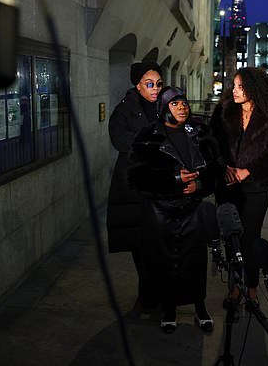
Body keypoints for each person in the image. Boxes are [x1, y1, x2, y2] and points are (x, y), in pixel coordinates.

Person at [127, 86, 221, 334]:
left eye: (184, 103)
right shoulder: (149, 136)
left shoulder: (200, 133)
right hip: (162, 212)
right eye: (175, 104)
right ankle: (169, 308)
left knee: (196, 261)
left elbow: (215, 171)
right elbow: (136, 177)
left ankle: (200, 307)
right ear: (163, 108)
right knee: (166, 261)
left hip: (192, 210)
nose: (182, 107)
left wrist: (199, 185)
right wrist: (174, 180)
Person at [209, 67, 268, 302]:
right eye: (234, 85)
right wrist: (224, 167)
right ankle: (235, 286)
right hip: (227, 186)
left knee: (250, 238)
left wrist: (248, 171)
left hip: (257, 188)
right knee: (231, 238)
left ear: (255, 88)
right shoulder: (223, 112)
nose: (235, 90)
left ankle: (251, 286)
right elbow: (210, 145)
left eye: (241, 86)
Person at [106, 61, 163, 311]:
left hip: (161, 183)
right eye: (149, 84)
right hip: (135, 185)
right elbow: (118, 139)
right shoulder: (125, 109)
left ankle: (158, 294)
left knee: (160, 241)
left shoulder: (165, 105)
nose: (155, 88)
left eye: (159, 84)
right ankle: (146, 294)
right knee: (140, 242)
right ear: (137, 85)